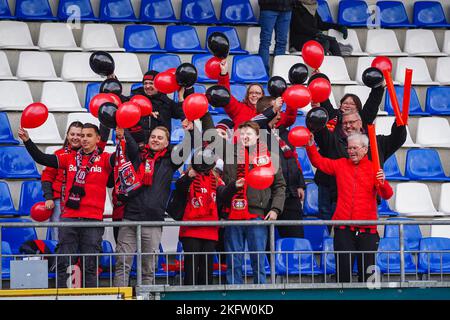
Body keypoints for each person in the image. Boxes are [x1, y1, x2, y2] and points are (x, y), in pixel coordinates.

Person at [19, 123, 115, 288]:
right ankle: (62, 295)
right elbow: (42, 158)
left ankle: (91, 299)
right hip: (69, 218)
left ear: (98, 139)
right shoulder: (68, 157)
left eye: (88, 136)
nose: (84, 139)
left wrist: (120, 136)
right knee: (64, 262)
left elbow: (124, 157)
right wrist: (28, 141)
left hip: (93, 220)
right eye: (82, 135)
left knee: (90, 265)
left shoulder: (105, 159)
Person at [113, 120, 194, 287]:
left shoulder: (170, 161)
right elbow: (128, 140)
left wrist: (190, 132)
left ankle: (146, 296)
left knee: (148, 267)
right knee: (122, 263)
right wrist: (122, 127)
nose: (155, 140)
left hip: (153, 220)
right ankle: (119, 296)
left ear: (166, 142)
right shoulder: (137, 155)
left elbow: (186, 148)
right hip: (130, 218)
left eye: (160, 138)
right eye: (153, 137)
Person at [306, 132, 393, 283]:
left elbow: (387, 195)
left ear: (365, 149)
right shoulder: (340, 164)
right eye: (349, 148)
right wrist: (310, 146)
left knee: (368, 276)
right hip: (343, 228)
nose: (351, 151)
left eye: (355, 148)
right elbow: (318, 162)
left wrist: (383, 182)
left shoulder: (374, 168)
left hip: (367, 230)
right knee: (342, 274)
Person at [219, 121, 286, 285]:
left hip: (257, 214)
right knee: (234, 260)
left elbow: (279, 185)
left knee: (258, 259)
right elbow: (221, 183)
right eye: (241, 134)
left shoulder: (269, 156)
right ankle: (234, 295)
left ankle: (261, 294)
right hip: (233, 214)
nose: (244, 137)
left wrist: (276, 209)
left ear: (257, 136)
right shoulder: (228, 154)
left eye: (248, 133)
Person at [314, 111, 406, 224]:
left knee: (365, 237)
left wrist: (399, 124)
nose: (348, 126)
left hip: (368, 206)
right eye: (345, 123)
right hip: (339, 203)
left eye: (352, 122)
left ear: (360, 123)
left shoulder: (377, 142)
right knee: (338, 238)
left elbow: (397, 139)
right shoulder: (335, 141)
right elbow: (319, 160)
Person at [254, 97, 306, 238]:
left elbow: (293, 160)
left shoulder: (283, 133)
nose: (279, 115)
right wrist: (273, 109)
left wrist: (300, 184)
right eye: (276, 111)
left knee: (295, 241)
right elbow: (254, 122)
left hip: (290, 196)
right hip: (268, 197)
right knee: (265, 245)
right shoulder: (257, 134)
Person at [40, 121, 83, 241]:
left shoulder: (89, 156)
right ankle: (59, 260)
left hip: (82, 202)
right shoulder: (59, 154)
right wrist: (49, 197)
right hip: (60, 201)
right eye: (72, 134)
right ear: (67, 135)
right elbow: (47, 176)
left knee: (80, 236)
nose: (75, 137)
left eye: (78, 135)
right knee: (58, 235)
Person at [130, 70, 193, 138]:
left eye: (151, 83)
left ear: (159, 85)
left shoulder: (167, 102)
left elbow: (184, 113)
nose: (147, 86)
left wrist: (181, 96)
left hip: (163, 145)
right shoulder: (135, 100)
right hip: (139, 146)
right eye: (145, 83)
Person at [258, 0, 294, 73]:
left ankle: (278, 73)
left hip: (286, 8)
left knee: (281, 42)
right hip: (269, 7)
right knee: (266, 42)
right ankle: (263, 73)